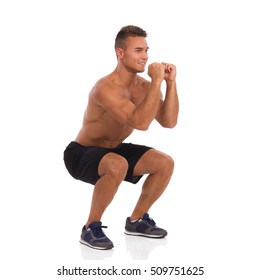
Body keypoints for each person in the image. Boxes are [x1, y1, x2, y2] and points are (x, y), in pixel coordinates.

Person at [63, 25, 179, 250]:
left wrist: (170, 83)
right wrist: (156, 82)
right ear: (120, 53)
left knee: (164, 163)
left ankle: (136, 221)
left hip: (114, 149)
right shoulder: (105, 88)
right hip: (80, 153)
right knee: (117, 164)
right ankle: (90, 228)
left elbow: (169, 121)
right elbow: (141, 123)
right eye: (138, 50)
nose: (145, 56)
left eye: (146, 50)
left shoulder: (143, 87)